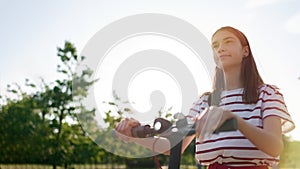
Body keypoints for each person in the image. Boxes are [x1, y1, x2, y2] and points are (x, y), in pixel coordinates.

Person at [114, 26, 295, 169]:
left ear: (245, 51)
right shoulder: (204, 102)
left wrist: (233, 120)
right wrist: (132, 136)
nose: (220, 48)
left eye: (228, 42)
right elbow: (171, 145)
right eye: (215, 46)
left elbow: (275, 146)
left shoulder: (267, 94)